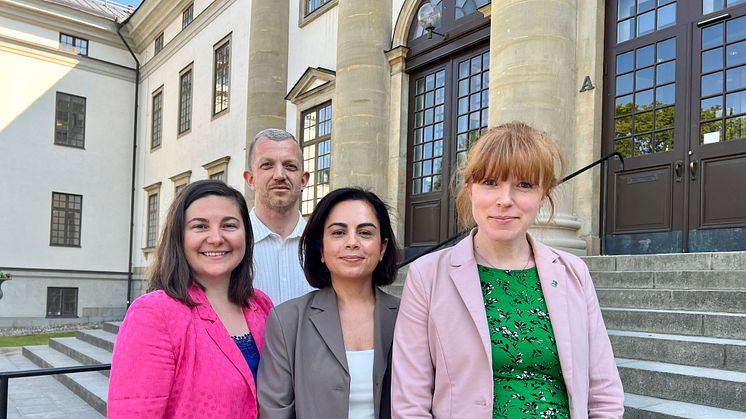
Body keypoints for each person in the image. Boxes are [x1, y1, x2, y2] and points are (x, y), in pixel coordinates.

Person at [391, 122, 624, 419]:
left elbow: (603, 390)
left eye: (524, 185)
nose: (505, 199)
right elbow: (410, 401)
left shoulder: (572, 272)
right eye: (490, 182)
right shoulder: (428, 275)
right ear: (470, 189)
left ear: (543, 195)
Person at [108, 180, 273, 418]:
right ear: (179, 237)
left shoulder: (261, 306)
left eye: (229, 225)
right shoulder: (154, 314)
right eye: (200, 226)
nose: (216, 238)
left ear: (246, 236)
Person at [258, 188, 400, 419]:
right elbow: (274, 411)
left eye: (365, 232)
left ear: (382, 248)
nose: (352, 242)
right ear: (321, 249)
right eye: (338, 233)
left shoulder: (408, 316)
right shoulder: (286, 321)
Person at [243, 128, 313, 305]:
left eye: (290, 166)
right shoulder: (231, 246)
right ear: (250, 179)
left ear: (303, 180)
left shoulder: (322, 246)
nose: (280, 175)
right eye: (267, 165)